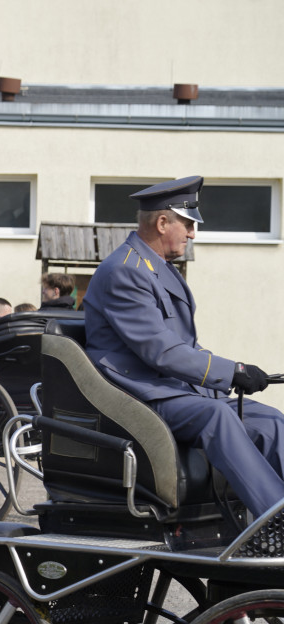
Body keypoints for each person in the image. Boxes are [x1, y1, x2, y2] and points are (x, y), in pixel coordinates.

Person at [83, 175, 284, 517]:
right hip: (138, 393)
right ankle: (275, 518)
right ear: (163, 222)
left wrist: (236, 369)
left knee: (272, 421)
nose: (192, 234)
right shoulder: (125, 271)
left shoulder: (156, 267)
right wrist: (232, 372)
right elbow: (160, 351)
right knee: (218, 415)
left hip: (172, 387)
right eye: (189, 224)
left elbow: (185, 345)